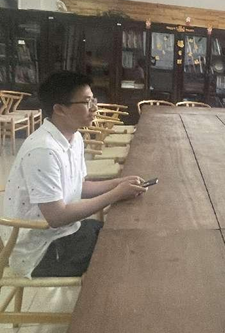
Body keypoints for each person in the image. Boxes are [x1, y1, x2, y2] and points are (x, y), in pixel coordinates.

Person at [4, 71, 147, 278]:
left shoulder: (74, 137)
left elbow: (80, 186)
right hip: (40, 250)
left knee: (123, 235)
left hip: (66, 231)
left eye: (93, 100)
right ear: (60, 109)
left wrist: (119, 183)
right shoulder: (43, 150)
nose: (95, 108)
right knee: (122, 255)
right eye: (87, 102)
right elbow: (57, 216)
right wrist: (115, 194)